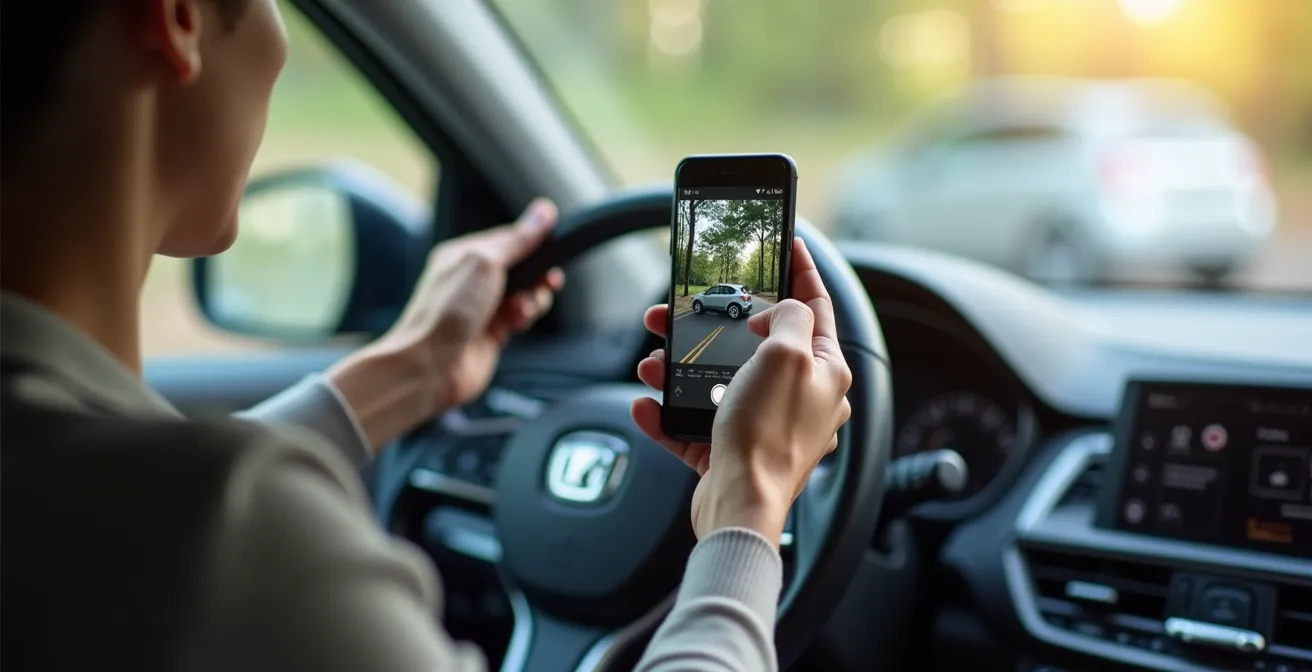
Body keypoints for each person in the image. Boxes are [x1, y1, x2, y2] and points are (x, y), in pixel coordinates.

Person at [0, 1, 853, 671]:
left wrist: (410, 370)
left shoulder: (107, 503)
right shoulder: (229, 540)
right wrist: (749, 500)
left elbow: (124, 508)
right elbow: (186, 524)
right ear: (177, 16)